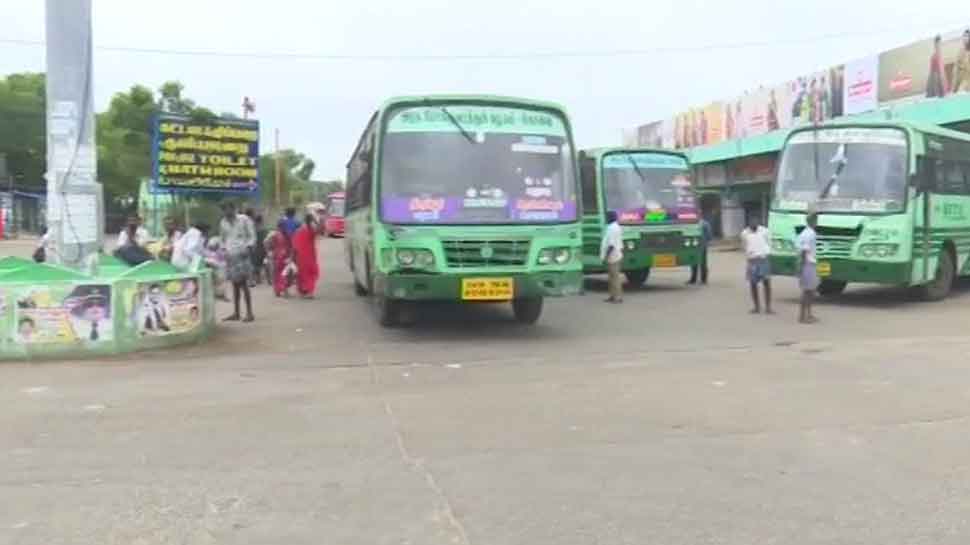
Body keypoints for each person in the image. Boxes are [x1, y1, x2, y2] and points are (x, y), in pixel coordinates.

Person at [219, 202, 257, 322]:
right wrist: (223, 250)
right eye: (224, 210)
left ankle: (250, 313)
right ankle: (236, 312)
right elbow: (222, 239)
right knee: (235, 285)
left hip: (242, 254)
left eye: (229, 209)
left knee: (244, 284)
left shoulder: (244, 219)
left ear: (234, 208)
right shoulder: (223, 222)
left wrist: (249, 247)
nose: (227, 212)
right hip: (230, 256)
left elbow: (252, 235)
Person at [740, 215, 772, 314]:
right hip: (752, 260)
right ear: (748, 222)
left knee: (767, 283)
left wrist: (767, 254)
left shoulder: (765, 231)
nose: (753, 223)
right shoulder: (744, 233)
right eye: (751, 221)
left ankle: (768, 307)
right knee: (753, 284)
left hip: (763, 259)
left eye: (755, 220)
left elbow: (769, 243)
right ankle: (756, 307)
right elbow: (744, 246)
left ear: (758, 221)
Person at [797, 213, 820, 324]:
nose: (817, 223)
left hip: (810, 263)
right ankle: (802, 316)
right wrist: (801, 267)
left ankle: (809, 314)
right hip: (808, 264)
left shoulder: (808, 232)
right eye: (816, 220)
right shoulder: (809, 234)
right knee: (806, 291)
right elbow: (804, 251)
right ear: (812, 221)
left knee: (811, 291)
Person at [292, 214, 321, 298]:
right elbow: (321, 230)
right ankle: (309, 291)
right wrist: (316, 221)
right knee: (312, 273)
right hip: (310, 255)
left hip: (300, 256)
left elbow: (294, 246)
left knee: (302, 274)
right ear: (311, 221)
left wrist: (292, 257)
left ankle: (304, 290)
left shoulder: (298, 231)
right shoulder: (311, 230)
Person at [600, 210, 624, 304]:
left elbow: (611, 245)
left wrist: (606, 256)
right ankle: (612, 296)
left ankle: (617, 297)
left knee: (615, 278)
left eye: (607, 217)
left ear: (610, 218)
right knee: (611, 278)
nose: (606, 218)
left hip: (613, 256)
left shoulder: (612, 228)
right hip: (615, 255)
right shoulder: (614, 227)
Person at [268, 219, 293, 297]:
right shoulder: (287, 234)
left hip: (278, 257)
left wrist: (270, 251)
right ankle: (283, 290)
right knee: (284, 274)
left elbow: (269, 245)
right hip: (283, 257)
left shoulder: (275, 235)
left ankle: (278, 290)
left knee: (278, 274)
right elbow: (291, 246)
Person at [688, 217, 713, 285]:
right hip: (693, 245)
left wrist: (706, 242)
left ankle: (703, 280)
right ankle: (693, 279)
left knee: (703, 263)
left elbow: (709, 234)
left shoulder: (704, 223)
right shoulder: (691, 223)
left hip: (702, 246)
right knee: (693, 262)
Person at [251, 214, 268, 286]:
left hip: (256, 248)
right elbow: (266, 239)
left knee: (256, 264)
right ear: (261, 220)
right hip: (263, 248)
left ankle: (258, 279)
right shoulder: (264, 229)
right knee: (265, 264)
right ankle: (268, 279)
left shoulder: (253, 229)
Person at [953, 30, 970, 94]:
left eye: (967, 36)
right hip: (962, 82)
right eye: (964, 36)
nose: (965, 38)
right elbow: (957, 68)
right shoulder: (960, 51)